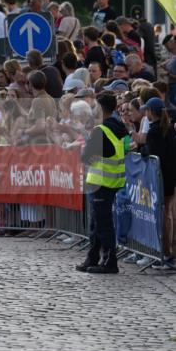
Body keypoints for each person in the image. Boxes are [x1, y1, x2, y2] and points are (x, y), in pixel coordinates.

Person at [76, 91, 130, 275]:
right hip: (113, 181)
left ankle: (109, 262)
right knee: (98, 223)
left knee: (102, 224)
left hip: (101, 181)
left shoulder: (101, 130)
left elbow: (86, 156)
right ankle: (92, 258)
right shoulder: (119, 126)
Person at [142, 97, 176, 269]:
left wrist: (143, 150)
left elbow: (154, 153)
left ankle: (166, 253)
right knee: (168, 213)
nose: (145, 113)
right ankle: (168, 253)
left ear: (151, 112)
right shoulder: (168, 128)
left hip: (162, 178)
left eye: (146, 110)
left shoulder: (155, 131)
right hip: (170, 176)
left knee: (164, 215)